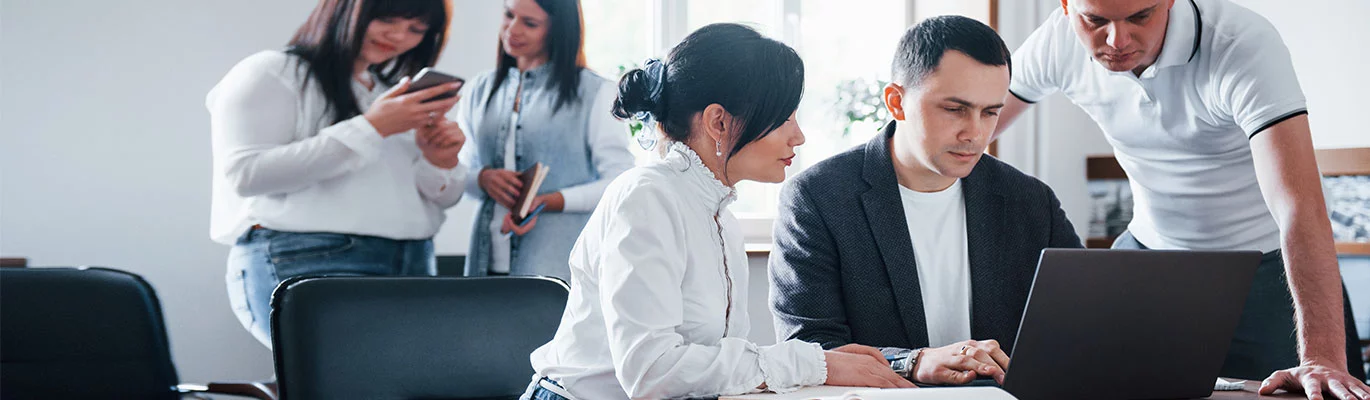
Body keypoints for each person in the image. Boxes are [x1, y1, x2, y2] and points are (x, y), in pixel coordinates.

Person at [995, 0, 1369, 397]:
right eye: (1096, 20)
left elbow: (1300, 206)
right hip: (1149, 252)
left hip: (1264, 265)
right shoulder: (1057, 40)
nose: (1117, 40)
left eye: (1140, 16)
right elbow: (973, 129)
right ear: (1067, 6)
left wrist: (1321, 356)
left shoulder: (1240, 43)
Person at [520, 23, 915, 400]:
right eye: (784, 118)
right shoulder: (646, 197)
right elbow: (650, 372)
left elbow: (708, 368)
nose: (799, 136)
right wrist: (813, 364)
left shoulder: (720, 215)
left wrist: (823, 365)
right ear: (718, 122)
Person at [769, 15, 1082, 386]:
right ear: (896, 102)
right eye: (954, 109)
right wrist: (911, 361)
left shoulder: (1031, 201)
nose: (975, 133)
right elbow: (808, 348)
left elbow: (1082, 323)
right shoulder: (817, 198)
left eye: (990, 112)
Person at [207, 0, 466, 347]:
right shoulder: (272, 71)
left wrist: (440, 160)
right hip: (312, 256)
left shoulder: (388, 94)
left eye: (416, 29)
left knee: (397, 375)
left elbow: (440, 198)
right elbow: (245, 175)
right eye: (386, 18)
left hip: (413, 262)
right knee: (346, 373)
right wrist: (372, 127)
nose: (398, 35)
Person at [456, 0, 634, 281]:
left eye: (530, 23)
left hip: (557, 265)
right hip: (485, 260)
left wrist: (549, 201)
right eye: (509, 15)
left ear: (557, 30)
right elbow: (459, 174)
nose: (512, 30)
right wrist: (482, 178)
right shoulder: (478, 90)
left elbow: (618, 182)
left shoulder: (596, 93)